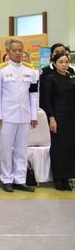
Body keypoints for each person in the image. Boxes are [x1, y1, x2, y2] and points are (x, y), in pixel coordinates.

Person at [0, 38, 39, 193]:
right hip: (7, 116)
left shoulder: (30, 70)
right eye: (14, 50)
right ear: (8, 51)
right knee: (6, 149)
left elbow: (33, 94)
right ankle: (6, 179)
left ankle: (20, 179)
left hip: (24, 115)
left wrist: (34, 115)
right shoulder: (1, 69)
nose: (18, 53)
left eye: (20, 50)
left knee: (22, 150)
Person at [41, 51, 75, 191]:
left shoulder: (71, 76)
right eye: (61, 62)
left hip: (71, 117)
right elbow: (47, 100)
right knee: (59, 148)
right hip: (58, 116)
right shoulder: (50, 78)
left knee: (70, 147)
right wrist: (51, 118)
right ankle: (58, 177)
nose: (64, 65)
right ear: (54, 64)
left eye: (66, 62)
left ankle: (66, 177)